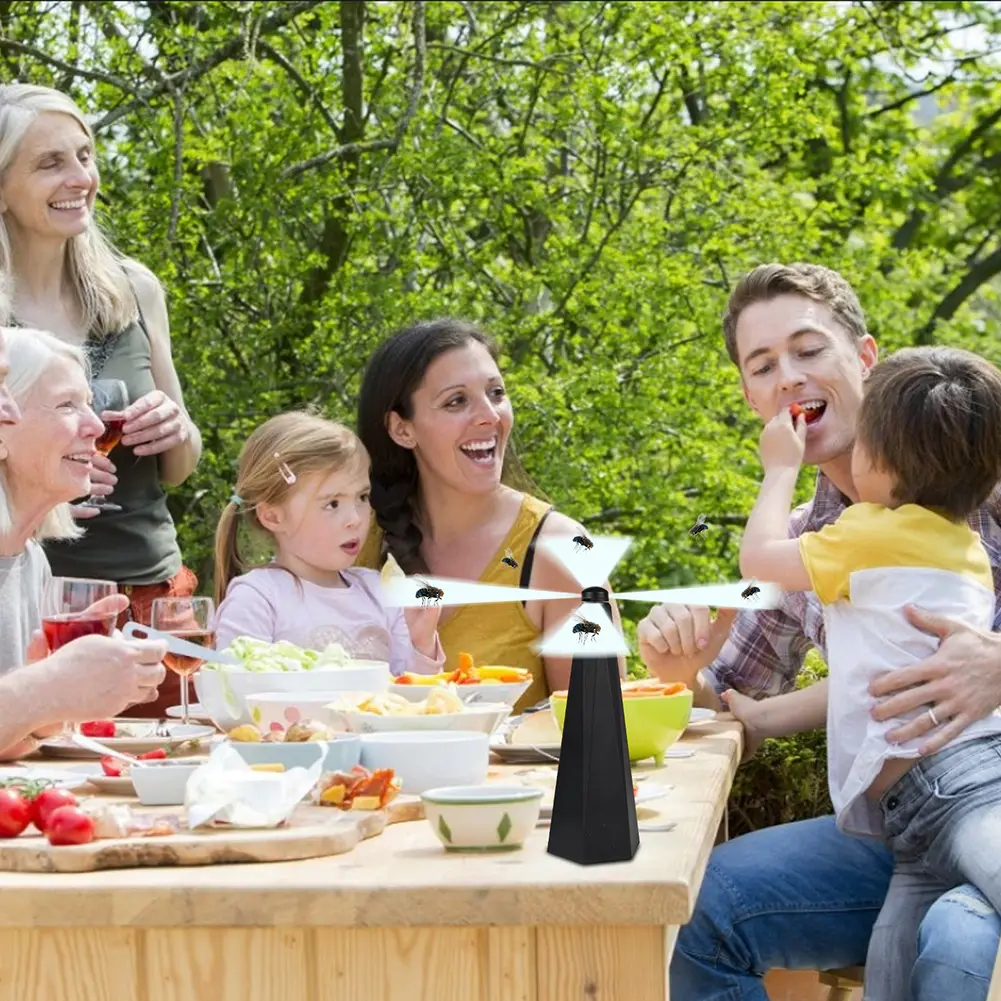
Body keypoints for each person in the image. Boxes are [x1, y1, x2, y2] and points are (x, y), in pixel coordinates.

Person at [636, 263, 1001, 1001]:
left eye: (808, 349)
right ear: (750, 396)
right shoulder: (805, 545)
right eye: (763, 364)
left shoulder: (979, 472)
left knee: (956, 932)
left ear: (863, 358)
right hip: (900, 830)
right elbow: (734, 702)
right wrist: (680, 672)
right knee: (702, 913)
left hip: (984, 797)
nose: (788, 377)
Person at [738, 346, 1001, 1000]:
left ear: (879, 462)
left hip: (952, 781)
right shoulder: (947, 536)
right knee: (890, 971)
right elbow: (876, 669)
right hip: (910, 811)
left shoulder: (874, 532)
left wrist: (778, 470)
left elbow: (759, 560)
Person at [0, 83, 202, 717]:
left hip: (152, 587)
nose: (78, 177)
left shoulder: (134, 289)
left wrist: (176, 428)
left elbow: (183, 464)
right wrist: (47, 473)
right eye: (49, 162)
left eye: (84, 156)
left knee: (170, 774)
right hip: (39, 599)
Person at [356, 318, 624, 710]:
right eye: (456, 401)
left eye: (496, 393)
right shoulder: (355, 537)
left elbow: (601, 723)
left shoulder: (560, 550)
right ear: (401, 429)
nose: (490, 415)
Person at [0, 326, 168, 758]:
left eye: (89, 405)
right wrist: (46, 687)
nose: (96, 427)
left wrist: (68, 691)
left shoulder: (29, 559)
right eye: (67, 405)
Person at [212, 411, 445, 676]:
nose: (356, 519)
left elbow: (414, 701)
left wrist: (422, 642)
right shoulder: (258, 599)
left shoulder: (379, 592)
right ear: (273, 516)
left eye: (362, 496)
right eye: (332, 504)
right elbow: (235, 695)